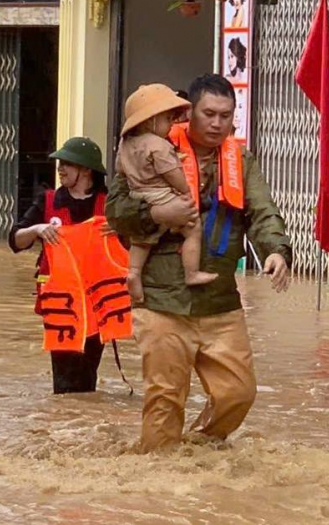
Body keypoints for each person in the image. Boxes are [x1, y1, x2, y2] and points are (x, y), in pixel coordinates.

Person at [106, 73, 292, 453]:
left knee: (238, 393)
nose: (217, 123)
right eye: (209, 113)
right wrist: (157, 212)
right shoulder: (149, 149)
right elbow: (116, 212)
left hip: (219, 301)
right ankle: (159, 480)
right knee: (164, 399)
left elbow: (263, 211)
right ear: (189, 113)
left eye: (226, 115)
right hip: (162, 299)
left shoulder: (240, 159)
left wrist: (276, 250)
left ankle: (196, 450)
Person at [10, 137, 120, 394]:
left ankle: (81, 425)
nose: (60, 169)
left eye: (67, 164)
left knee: (88, 373)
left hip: (97, 301)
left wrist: (119, 229)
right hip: (61, 302)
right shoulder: (48, 201)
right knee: (64, 376)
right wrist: (37, 229)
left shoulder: (110, 205)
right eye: (60, 164)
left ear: (86, 170)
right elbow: (15, 240)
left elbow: (131, 246)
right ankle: (62, 422)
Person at [116, 84, 218, 303]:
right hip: (162, 195)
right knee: (193, 228)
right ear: (150, 120)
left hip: (137, 194)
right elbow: (172, 174)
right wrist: (185, 192)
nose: (172, 124)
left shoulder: (125, 144)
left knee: (142, 238)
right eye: (167, 119)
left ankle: (133, 272)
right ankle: (191, 273)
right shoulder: (158, 145)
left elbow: (120, 170)